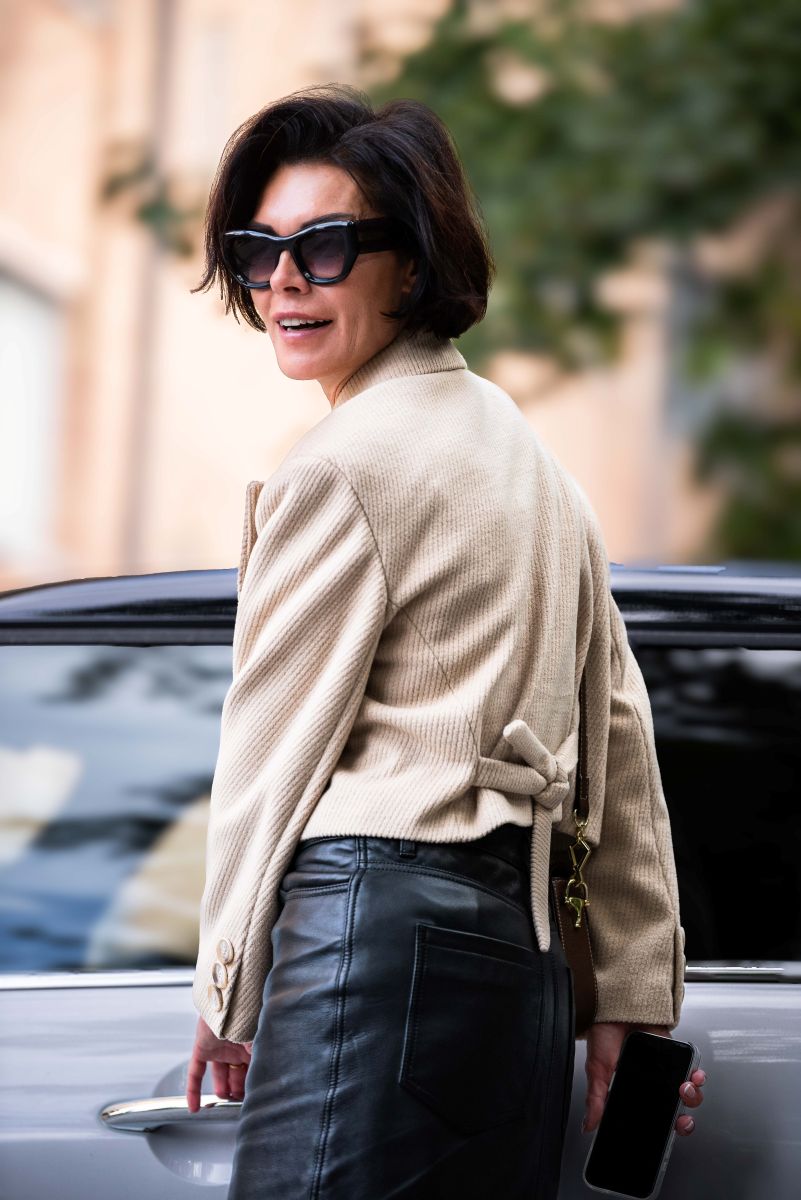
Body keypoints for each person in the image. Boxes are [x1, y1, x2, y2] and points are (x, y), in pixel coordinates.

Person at [184, 85, 705, 1198]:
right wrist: (631, 1002)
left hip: (368, 948)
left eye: (322, 248)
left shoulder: (341, 464)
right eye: (257, 250)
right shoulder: (541, 473)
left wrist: (225, 987)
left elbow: (271, 754)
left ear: (410, 265)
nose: (282, 281)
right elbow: (622, 750)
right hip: (511, 984)